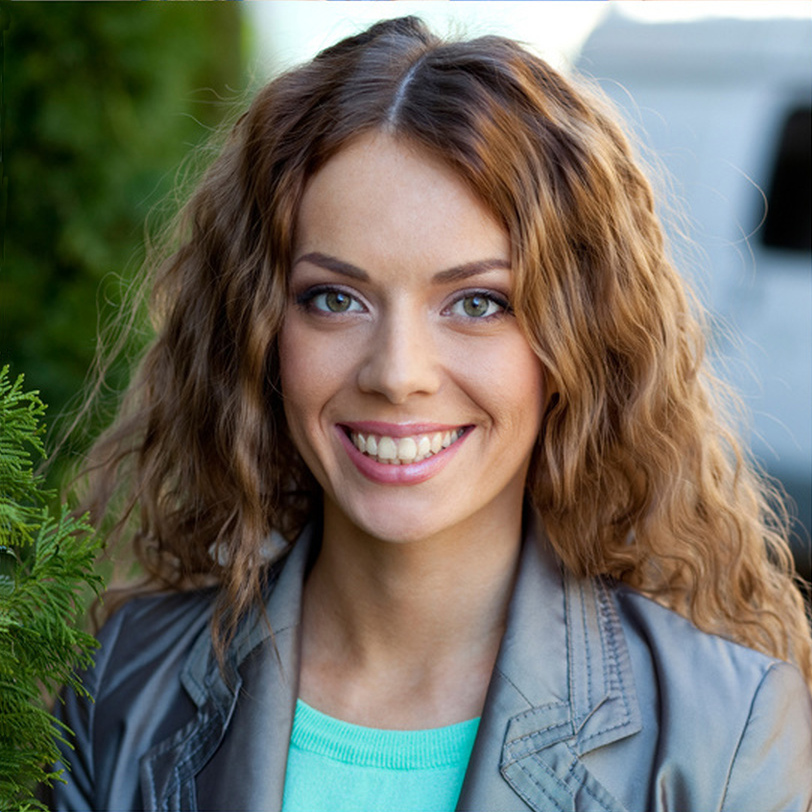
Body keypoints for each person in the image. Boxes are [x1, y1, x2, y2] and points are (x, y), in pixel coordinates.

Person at [49, 16, 812, 812]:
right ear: (259, 329)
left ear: (579, 340)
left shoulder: (724, 732)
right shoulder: (119, 690)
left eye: (478, 303)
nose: (397, 374)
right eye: (334, 299)